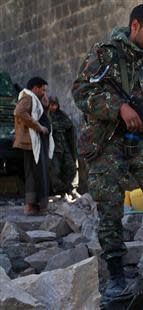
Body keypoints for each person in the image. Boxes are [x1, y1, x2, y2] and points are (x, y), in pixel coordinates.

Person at [72, 2, 143, 301]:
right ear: (134, 26)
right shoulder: (103, 53)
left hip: (141, 141)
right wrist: (118, 107)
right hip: (105, 142)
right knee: (109, 209)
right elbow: (81, 93)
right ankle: (116, 274)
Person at [13, 77, 54, 215]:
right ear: (35, 88)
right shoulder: (27, 98)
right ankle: (30, 206)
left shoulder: (35, 99)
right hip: (31, 143)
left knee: (39, 173)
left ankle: (37, 206)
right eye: (43, 89)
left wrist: (45, 103)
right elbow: (19, 112)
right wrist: (38, 127)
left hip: (36, 142)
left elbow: (39, 114)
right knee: (33, 173)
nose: (44, 92)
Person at [48, 96, 77, 197]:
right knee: (55, 170)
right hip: (53, 148)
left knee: (71, 167)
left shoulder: (61, 115)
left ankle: (68, 189)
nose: (53, 107)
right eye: (51, 105)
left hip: (65, 146)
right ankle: (59, 190)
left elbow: (69, 127)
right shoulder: (45, 115)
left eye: (55, 105)